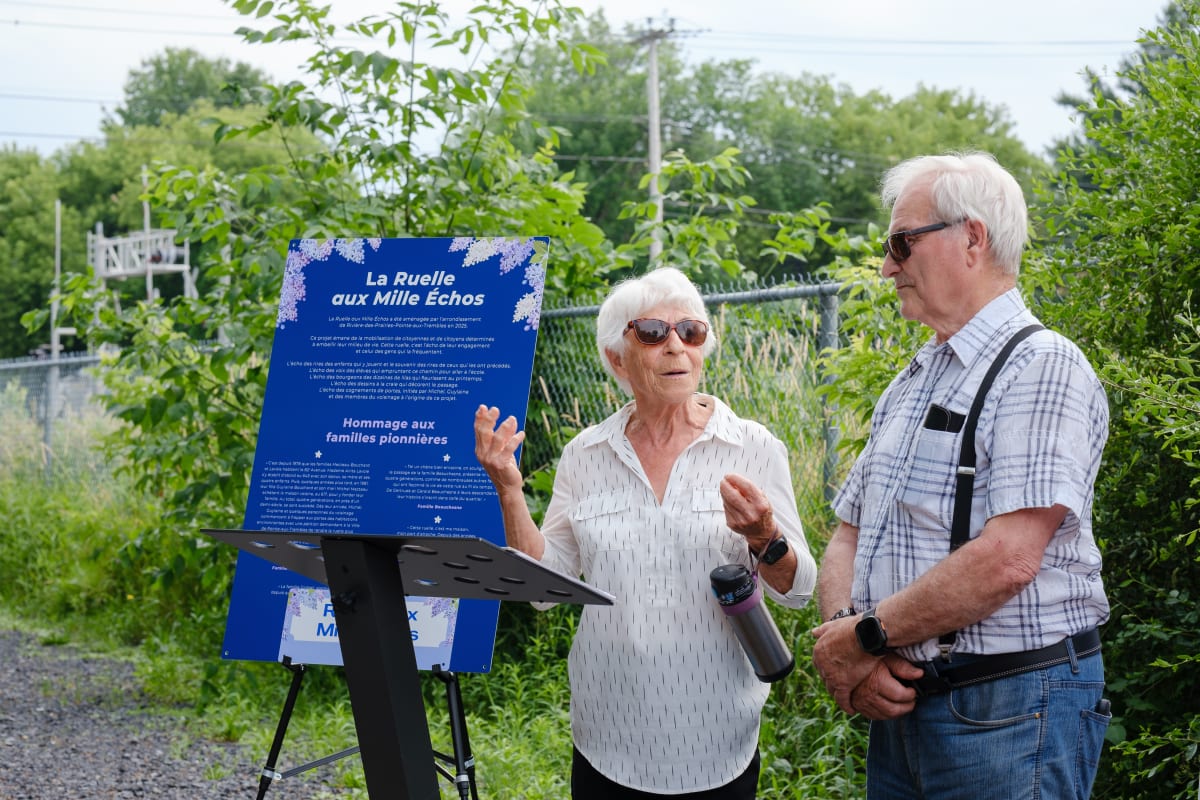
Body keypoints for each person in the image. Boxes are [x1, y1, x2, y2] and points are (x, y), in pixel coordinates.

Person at [810, 152, 1112, 799]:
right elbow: (849, 532)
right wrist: (849, 637)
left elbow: (1008, 559)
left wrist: (863, 637)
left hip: (1008, 712)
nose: (889, 265)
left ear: (972, 238)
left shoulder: (1040, 365)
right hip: (905, 704)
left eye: (902, 242)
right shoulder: (916, 377)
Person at [474, 266, 817, 799]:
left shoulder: (752, 446)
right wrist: (508, 491)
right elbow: (544, 588)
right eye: (654, 332)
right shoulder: (584, 454)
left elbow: (797, 590)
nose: (676, 346)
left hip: (717, 739)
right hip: (606, 737)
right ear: (617, 358)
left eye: (692, 331)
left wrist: (765, 537)